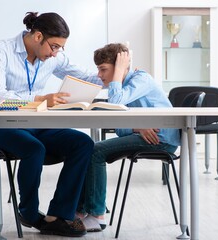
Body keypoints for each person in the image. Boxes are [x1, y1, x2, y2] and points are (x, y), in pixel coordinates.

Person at [0, 12, 102, 237]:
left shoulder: (53, 58)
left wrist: (117, 74)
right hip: (4, 124)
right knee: (34, 148)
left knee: (82, 143)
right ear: (38, 36)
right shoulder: (1, 50)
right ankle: (28, 212)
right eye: (54, 46)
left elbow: (87, 78)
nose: (56, 53)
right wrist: (38, 100)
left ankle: (58, 215)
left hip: (38, 124)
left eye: (60, 48)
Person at [77, 43, 181, 231]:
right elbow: (118, 127)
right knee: (88, 148)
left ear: (119, 67)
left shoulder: (142, 79)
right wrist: (138, 127)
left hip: (162, 140)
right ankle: (81, 210)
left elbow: (116, 101)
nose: (99, 75)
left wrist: (118, 72)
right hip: (147, 137)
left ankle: (96, 215)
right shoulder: (123, 87)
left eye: (103, 69)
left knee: (95, 151)